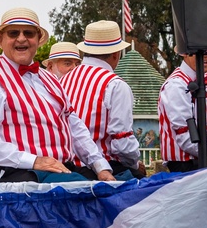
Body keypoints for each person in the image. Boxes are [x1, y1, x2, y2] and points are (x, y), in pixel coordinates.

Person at [0, 7, 115, 183]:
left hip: (57, 170)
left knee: (119, 183)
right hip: (11, 172)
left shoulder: (50, 79)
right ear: (1, 40)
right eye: (13, 33)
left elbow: (75, 126)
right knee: (84, 193)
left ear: (37, 40)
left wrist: (100, 167)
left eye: (28, 33)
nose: (21, 38)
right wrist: (34, 161)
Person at [61, 21, 145, 179]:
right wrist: (134, 164)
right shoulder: (115, 85)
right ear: (116, 54)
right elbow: (122, 142)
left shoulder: (64, 80)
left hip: (68, 167)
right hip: (104, 168)